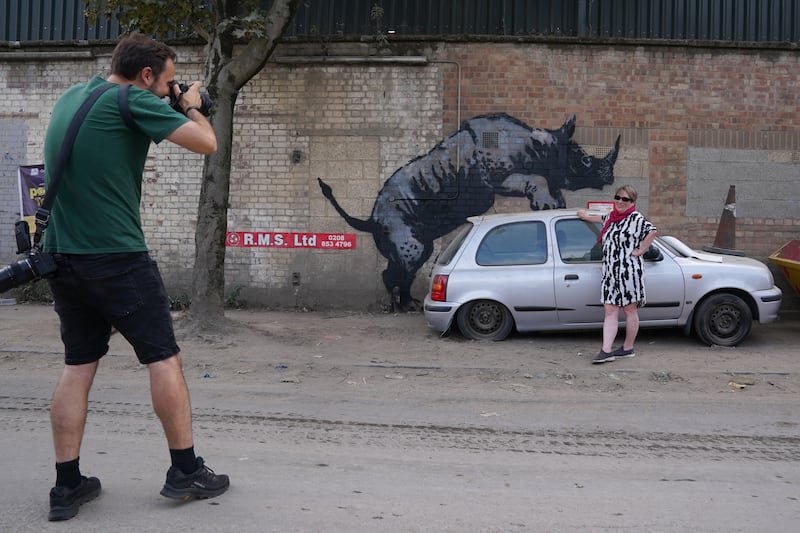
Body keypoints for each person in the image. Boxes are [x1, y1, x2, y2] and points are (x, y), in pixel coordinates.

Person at [42, 34, 229, 521]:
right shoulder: (132, 100)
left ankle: (66, 487)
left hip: (62, 256)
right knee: (163, 359)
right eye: (168, 81)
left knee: (78, 366)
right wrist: (191, 106)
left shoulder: (73, 96)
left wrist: (172, 98)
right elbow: (207, 143)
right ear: (147, 76)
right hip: (117, 258)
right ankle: (186, 471)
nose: (171, 89)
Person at [577, 185, 657, 364]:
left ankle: (628, 348)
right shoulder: (611, 217)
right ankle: (606, 351)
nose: (620, 201)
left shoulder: (636, 218)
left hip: (629, 271)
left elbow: (652, 231)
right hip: (610, 272)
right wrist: (583, 215)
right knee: (610, 310)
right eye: (618, 197)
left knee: (629, 310)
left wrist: (641, 250)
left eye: (625, 199)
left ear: (633, 202)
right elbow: (598, 218)